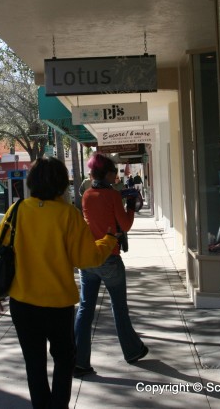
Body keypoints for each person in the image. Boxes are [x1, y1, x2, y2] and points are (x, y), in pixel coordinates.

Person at [0, 157, 118, 409]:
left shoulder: (17, 210)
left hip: (23, 304)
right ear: (60, 184)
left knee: (34, 363)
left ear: (31, 182)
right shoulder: (68, 215)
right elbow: (85, 258)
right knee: (64, 360)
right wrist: (109, 240)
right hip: (58, 304)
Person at [74, 153, 148, 377]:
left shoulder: (87, 195)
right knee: (119, 307)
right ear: (106, 173)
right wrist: (131, 207)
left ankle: (79, 360)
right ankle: (132, 351)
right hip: (110, 258)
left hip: (89, 258)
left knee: (85, 308)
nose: (116, 176)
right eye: (114, 172)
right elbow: (124, 226)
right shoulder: (113, 196)